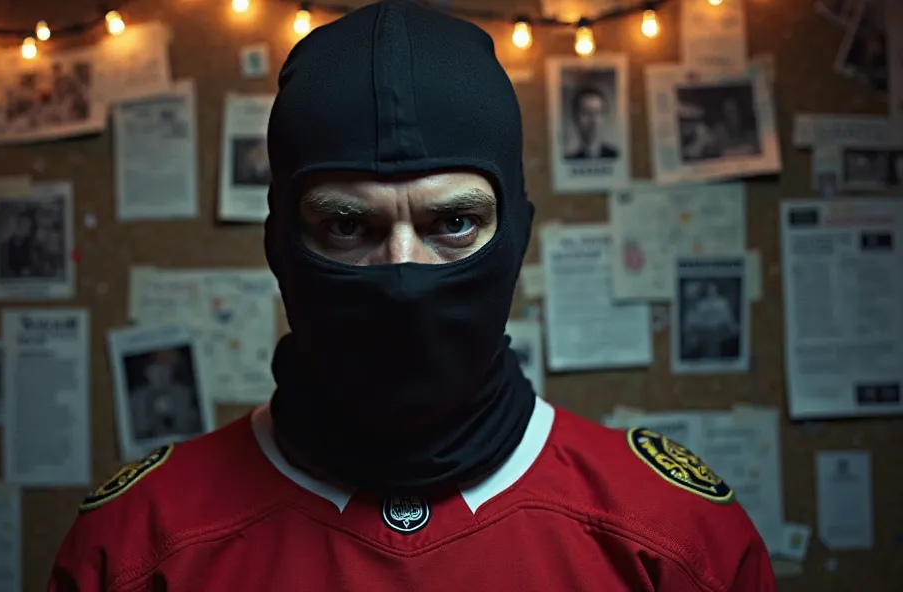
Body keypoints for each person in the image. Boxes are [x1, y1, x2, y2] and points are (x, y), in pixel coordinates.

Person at [49, 2, 775, 590]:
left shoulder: (672, 542)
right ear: (280, 246)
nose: (402, 275)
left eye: (453, 223)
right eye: (346, 224)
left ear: (515, 232)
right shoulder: (139, 548)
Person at [127, 349, 202, 440]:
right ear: (146, 371)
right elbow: (138, 429)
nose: (161, 372)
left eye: (165, 367)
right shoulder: (138, 397)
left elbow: (191, 426)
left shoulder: (183, 393)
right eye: (155, 367)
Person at [683, 281, 739, 359]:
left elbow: (728, 319)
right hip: (705, 333)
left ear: (716, 289)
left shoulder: (722, 303)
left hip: (720, 332)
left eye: (712, 288)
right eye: (709, 289)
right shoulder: (702, 304)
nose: (710, 291)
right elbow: (695, 321)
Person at [565, 86, 618, 159]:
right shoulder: (569, 159)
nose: (593, 121)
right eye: (586, 112)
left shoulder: (615, 156)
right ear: (575, 118)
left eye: (597, 113)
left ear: (604, 117)